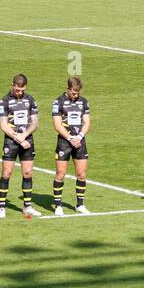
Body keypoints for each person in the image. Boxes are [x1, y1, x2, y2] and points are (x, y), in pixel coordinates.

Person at [0, 74, 41, 219]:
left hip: (27, 140)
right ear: (13, 85)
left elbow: (35, 123)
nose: (19, 92)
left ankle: (27, 206)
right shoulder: (4, 101)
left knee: (27, 173)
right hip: (11, 141)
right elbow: (3, 125)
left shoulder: (30, 100)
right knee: (6, 173)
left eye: (22, 90)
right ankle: (1, 207)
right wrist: (18, 138)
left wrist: (25, 135)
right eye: (17, 89)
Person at [50, 76, 91, 216]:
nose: (75, 95)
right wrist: (69, 137)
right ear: (68, 89)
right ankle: (58, 205)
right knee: (60, 174)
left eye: (78, 93)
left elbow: (86, 122)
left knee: (81, 174)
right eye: (73, 92)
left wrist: (79, 137)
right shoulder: (58, 102)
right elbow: (57, 124)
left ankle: (80, 205)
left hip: (80, 141)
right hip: (64, 142)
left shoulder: (84, 102)